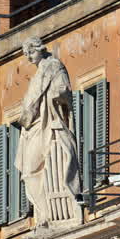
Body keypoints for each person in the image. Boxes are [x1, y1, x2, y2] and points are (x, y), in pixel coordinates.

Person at [17, 37, 82, 228]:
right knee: (29, 172)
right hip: (34, 126)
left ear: (40, 49)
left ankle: (51, 215)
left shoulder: (54, 66)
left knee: (42, 168)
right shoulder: (38, 74)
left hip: (48, 123)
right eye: (26, 54)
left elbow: (64, 90)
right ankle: (42, 214)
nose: (29, 57)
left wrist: (57, 94)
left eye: (31, 52)